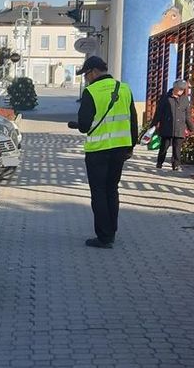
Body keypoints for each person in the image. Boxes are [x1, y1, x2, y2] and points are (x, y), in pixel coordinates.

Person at [69, 56, 138, 249]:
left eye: (86, 75)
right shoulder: (124, 88)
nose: (86, 79)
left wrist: (77, 125)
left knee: (99, 192)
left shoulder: (91, 92)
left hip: (98, 151)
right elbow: (133, 119)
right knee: (112, 190)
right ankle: (112, 231)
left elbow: (84, 125)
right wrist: (131, 146)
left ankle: (104, 237)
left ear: (93, 72)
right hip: (120, 150)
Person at [151, 79, 194, 171]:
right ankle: (160, 162)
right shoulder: (166, 98)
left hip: (180, 128)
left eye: (183, 89)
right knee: (164, 147)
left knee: (177, 149)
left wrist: (192, 129)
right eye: (180, 89)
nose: (181, 91)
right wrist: (154, 124)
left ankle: (176, 165)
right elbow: (158, 112)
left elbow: (187, 115)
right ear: (175, 87)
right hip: (167, 127)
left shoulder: (184, 99)